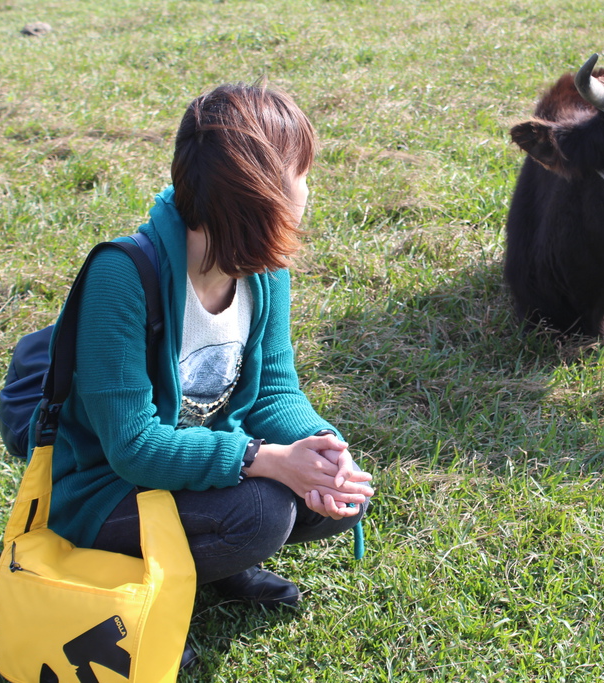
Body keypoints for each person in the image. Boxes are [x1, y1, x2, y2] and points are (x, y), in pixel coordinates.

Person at [39, 82, 373, 613]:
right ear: (260, 191)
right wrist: (260, 458)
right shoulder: (121, 277)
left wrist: (322, 447)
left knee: (338, 499)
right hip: (104, 491)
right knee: (262, 514)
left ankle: (216, 565)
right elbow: (133, 447)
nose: (309, 190)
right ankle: (132, 598)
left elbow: (274, 390)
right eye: (301, 173)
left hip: (193, 470)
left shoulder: (264, 268)